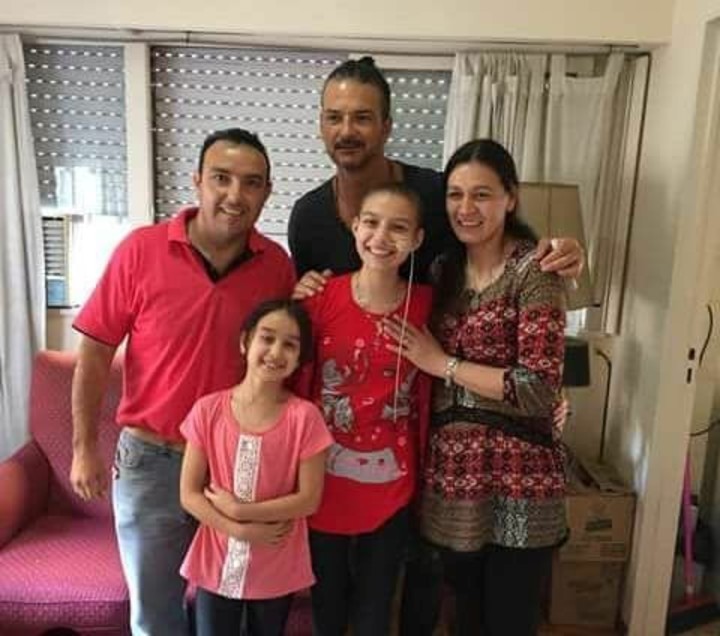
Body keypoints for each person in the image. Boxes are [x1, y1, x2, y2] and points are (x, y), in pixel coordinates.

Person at [69, 129, 296, 636]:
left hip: (232, 464)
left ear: (267, 192)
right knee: (156, 616)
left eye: (251, 183)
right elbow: (96, 352)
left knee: (228, 609)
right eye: (221, 178)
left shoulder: (276, 267)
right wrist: (84, 448)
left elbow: (284, 360)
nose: (235, 195)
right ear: (197, 181)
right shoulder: (141, 250)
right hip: (152, 461)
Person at [384, 138, 567, 636]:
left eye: (482, 194)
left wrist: (443, 364)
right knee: (464, 615)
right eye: (455, 194)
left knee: (508, 619)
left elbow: (538, 389)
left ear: (510, 198)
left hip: (519, 479)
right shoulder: (441, 271)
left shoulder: (536, 272)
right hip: (453, 479)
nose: (466, 208)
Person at [288, 55, 584, 293]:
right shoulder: (307, 217)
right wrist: (301, 295)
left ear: (386, 126)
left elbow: (499, 245)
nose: (346, 131)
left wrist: (557, 254)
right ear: (321, 125)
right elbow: (308, 313)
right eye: (334, 118)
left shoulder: (436, 193)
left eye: (362, 118)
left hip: (439, 348)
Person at [296, 183, 433, 636]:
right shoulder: (319, 298)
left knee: (375, 610)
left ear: (417, 239)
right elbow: (288, 377)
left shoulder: (428, 306)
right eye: (371, 223)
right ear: (355, 227)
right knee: (328, 606)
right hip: (321, 481)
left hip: (393, 483)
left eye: (398, 228)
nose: (381, 237)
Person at [179, 299, 333, 636]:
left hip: (275, 560)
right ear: (245, 341)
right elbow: (189, 494)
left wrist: (242, 510)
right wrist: (236, 527)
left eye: (290, 345)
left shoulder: (305, 417)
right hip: (216, 557)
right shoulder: (208, 410)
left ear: (299, 359)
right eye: (267, 338)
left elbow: (309, 499)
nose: (276, 352)